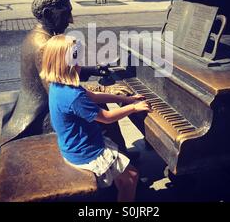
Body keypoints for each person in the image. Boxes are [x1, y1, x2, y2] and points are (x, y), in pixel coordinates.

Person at [0, 0, 131, 149]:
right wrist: (105, 90)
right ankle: (119, 159)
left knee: (95, 105)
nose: (70, 20)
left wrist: (93, 70)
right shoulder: (45, 46)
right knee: (98, 112)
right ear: (48, 13)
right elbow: (61, 91)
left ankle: (119, 154)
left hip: (40, 102)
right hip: (42, 113)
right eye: (65, 13)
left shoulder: (38, 34)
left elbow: (62, 71)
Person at [40, 35, 151, 201]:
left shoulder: (59, 86)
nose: (80, 64)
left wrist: (125, 99)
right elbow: (107, 118)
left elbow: (93, 96)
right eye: (77, 59)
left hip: (74, 145)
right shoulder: (73, 96)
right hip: (86, 152)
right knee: (132, 176)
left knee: (125, 176)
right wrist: (133, 107)